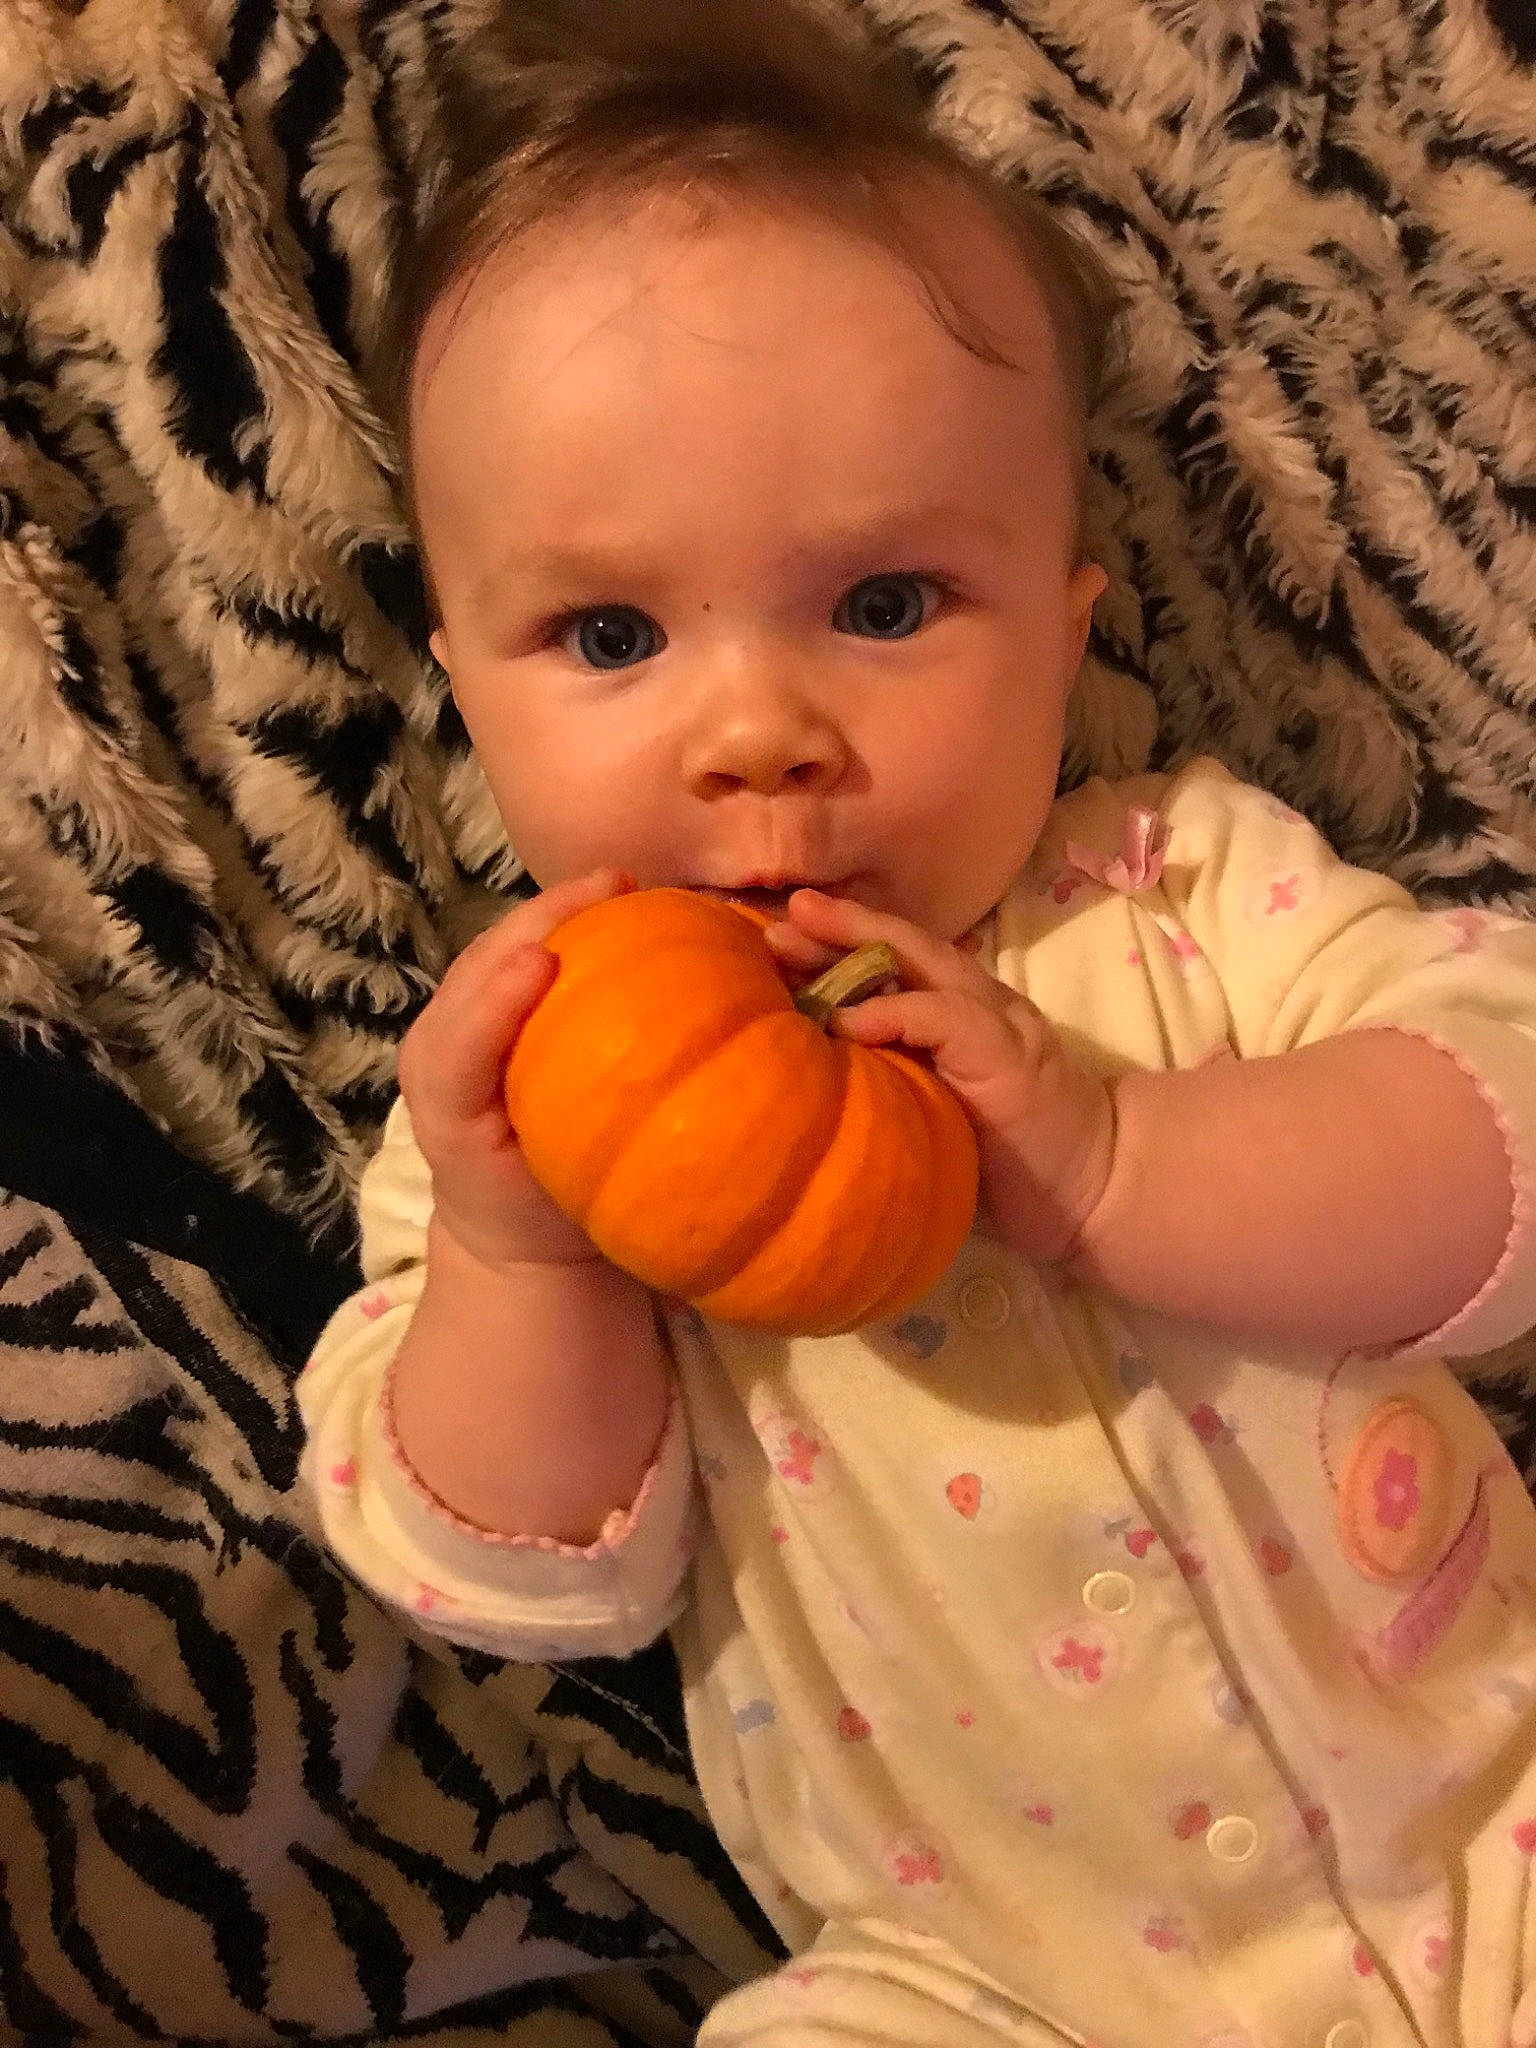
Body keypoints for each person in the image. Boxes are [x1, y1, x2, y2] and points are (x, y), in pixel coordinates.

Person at [299, 0, 1536, 2040]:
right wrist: (529, 1255)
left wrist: (1125, 1158)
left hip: (1487, 1801)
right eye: (610, 635)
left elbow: (1500, 1134)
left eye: (885, 605)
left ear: (1065, 622)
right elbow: (514, 1582)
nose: (761, 728)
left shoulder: (1176, 895)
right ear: (462, 681)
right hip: (983, 1974)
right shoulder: (517, 1105)